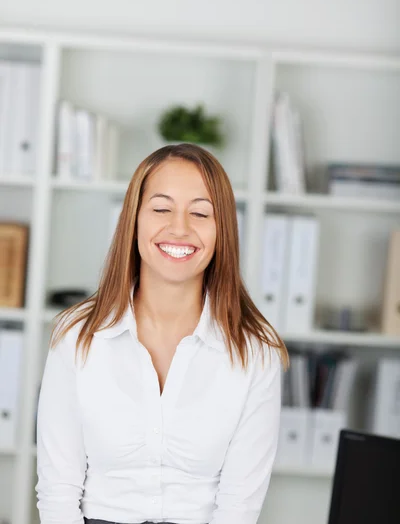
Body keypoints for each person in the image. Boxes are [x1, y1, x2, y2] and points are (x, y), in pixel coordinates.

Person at [35, 143, 288, 524]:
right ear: (134, 220)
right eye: (161, 208)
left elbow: (239, 507)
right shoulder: (76, 336)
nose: (180, 228)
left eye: (201, 212)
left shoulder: (255, 351)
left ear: (223, 232)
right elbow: (57, 493)